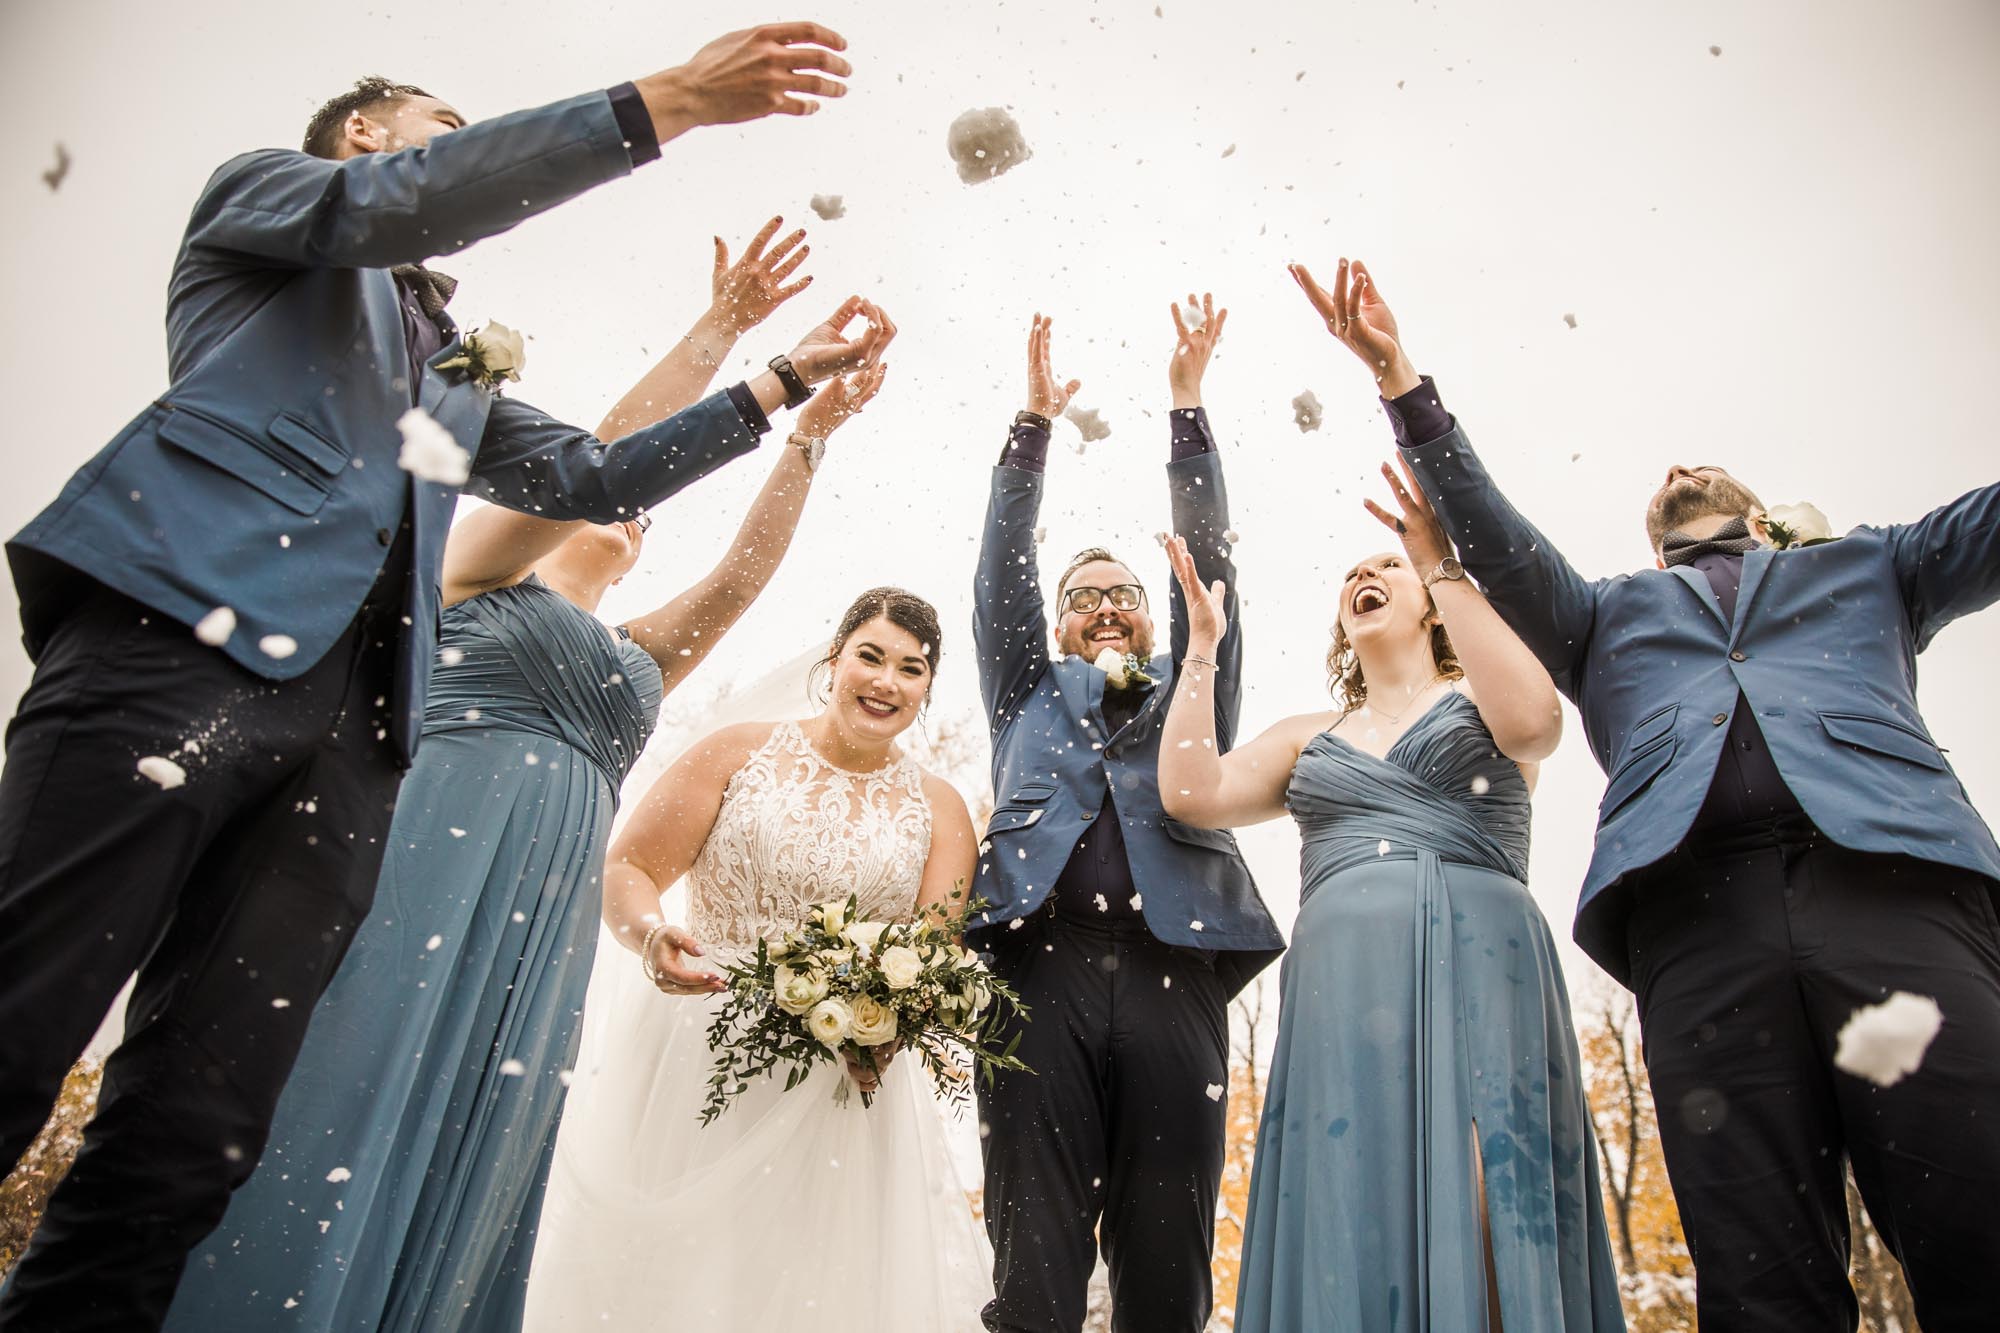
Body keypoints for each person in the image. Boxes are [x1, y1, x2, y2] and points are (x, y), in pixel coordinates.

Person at [0, 26, 877, 1329]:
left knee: (195, 1131)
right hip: (181, 638)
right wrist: (673, 101)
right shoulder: (270, 205)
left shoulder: (457, 373)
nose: (459, 144)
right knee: (25, 1012)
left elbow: (590, 473)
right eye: (442, 122)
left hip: (351, 741)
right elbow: (406, 200)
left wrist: (773, 385)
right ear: (364, 132)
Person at [161, 221, 885, 1332]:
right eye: (620, 505)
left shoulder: (635, 656)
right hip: (426, 856)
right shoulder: (472, 573)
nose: (632, 518)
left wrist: (810, 442)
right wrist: (725, 332)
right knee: (356, 1069)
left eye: (640, 521)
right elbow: (599, 456)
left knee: (480, 1130)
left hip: (539, 921)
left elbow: (740, 581)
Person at [1299, 253, 2000, 1330]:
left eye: (1704, 465)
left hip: (1896, 891)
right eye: (1664, 475)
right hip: (1695, 922)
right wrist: (1401, 382)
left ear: (1759, 514)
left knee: (1976, 1212)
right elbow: (1494, 538)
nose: (1677, 466)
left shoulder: (1874, 566)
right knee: (1756, 1265)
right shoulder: (1602, 614)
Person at [1156, 484, 1623, 1322]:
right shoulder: (1308, 734)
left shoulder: (1482, 696)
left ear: (1432, 606)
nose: (1364, 575)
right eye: (1351, 574)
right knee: (1350, 1197)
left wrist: (1440, 562)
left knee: (1490, 1187)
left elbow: (1537, 725)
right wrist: (1200, 651)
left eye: (1387, 567)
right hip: (1343, 991)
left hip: (1482, 965)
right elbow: (1192, 792)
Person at [521, 587, 991, 1331]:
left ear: (927, 688)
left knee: (811, 1288)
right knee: (674, 1282)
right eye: (870, 656)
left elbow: (936, 955)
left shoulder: (940, 808)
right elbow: (628, 868)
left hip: (839, 1083)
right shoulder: (738, 752)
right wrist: (650, 935)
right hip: (698, 1052)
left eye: (911, 669)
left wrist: (895, 1021)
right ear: (833, 660)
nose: (886, 682)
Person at [969, 303, 1284, 1333]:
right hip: (1038, 965)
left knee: (1166, 1253)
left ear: (1156, 612)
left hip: (1173, 968)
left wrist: (1186, 408)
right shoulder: (1025, 687)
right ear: (1055, 621)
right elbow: (1001, 569)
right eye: (1082, 595)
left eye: (1126, 593)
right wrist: (1031, 427)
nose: (1105, 604)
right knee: (1032, 1249)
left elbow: (1211, 568)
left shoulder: (1194, 680)